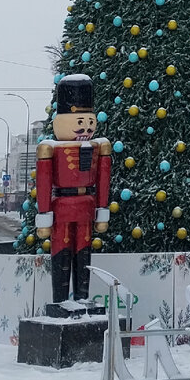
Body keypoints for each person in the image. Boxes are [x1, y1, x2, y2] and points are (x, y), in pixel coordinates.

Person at [35, 74, 113, 304]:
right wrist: (44, 214)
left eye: (89, 122)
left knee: (84, 253)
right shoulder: (51, 149)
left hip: (86, 207)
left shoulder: (99, 146)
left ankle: (82, 298)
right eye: (80, 123)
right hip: (62, 207)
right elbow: (44, 182)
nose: (86, 129)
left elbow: (103, 179)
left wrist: (102, 209)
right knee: (61, 250)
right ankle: (60, 301)